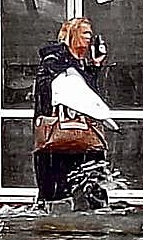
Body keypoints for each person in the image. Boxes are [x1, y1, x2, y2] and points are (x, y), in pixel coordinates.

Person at [33, 17, 108, 202]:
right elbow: (64, 90)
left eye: (90, 34)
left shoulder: (79, 63)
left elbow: (88, 93)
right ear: (73, 34)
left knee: (92, 188)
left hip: (81, 137)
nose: (89, 38)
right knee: (54, 193)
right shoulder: (54, 58)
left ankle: (89, 221)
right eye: (85, 33)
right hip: (57, 139)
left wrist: (96, 65)